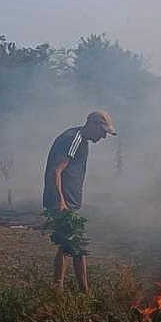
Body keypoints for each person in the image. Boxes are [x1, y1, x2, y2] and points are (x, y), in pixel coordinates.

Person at [42, 110, 116, 292]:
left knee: (72, 245)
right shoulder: (73, 139)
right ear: (93, 125)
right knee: (74, 244)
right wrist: (61, 201)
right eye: (103, 132)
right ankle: (71, 290)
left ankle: (72, 290)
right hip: (63, 203)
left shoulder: (80, 140)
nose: (103, 137)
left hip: (69, 203)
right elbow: (56, 170)